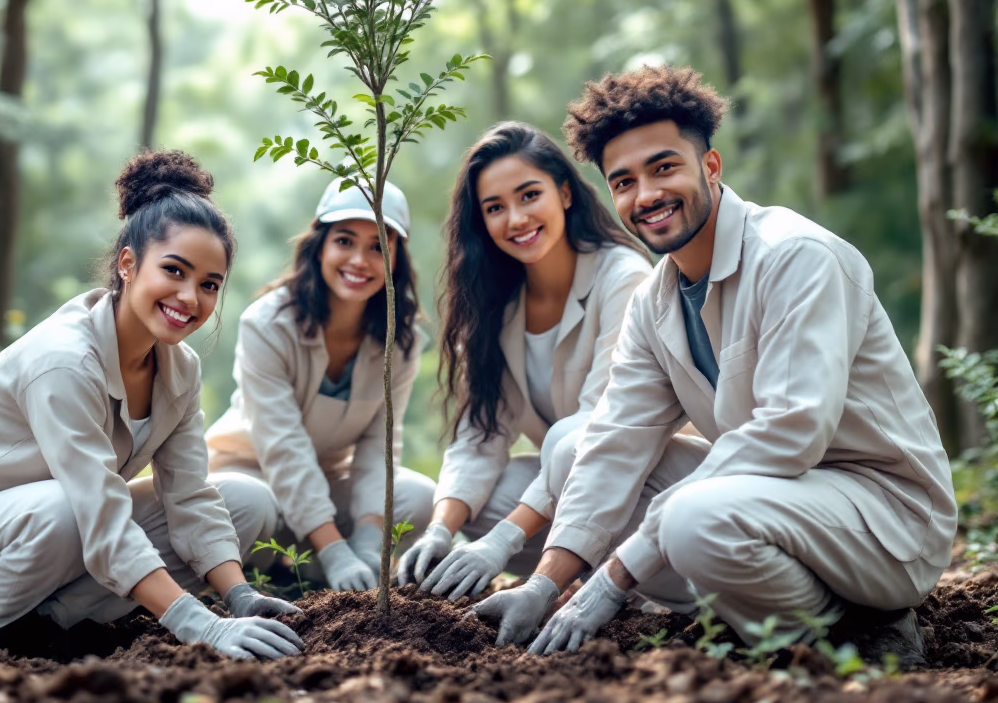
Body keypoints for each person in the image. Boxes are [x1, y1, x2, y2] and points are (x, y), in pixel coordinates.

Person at [470, 66, 956, 663]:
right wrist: (544, 585)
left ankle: (853, 627)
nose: (645, 195)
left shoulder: (794, 257)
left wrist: (612, 579)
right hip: (772, 501)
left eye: (664, 167)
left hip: (882, 516)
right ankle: (758, 607)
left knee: (691, 520)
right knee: (575, 448)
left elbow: (790, 434)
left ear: (711, 166)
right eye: (623, 182)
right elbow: (615, 441)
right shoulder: (656, 299)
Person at [0, 150, 304, 660]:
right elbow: (98, 513)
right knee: (70, 506)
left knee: (245, 500)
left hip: (50, 543)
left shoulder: (180, 369)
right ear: (128, 264)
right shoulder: (64, 361)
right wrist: (201, 626)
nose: (190, 297)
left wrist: (238, 597)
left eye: (209, 284)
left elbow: (189, 495)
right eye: (174, 270)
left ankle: (45, 623)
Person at [397, 122, 665, 600]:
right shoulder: (494, 305)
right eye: (495, 208)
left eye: (528, 196)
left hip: (639, 480)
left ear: (564, 193)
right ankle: (573, 565)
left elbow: (598, 430)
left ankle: (613, 577)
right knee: (478, 500)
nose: (515, 219)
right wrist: (441, 528)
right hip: (562, 488)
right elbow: (482, 436)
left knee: (564, 444)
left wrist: (504, 541)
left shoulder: (624, 278)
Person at [206, 178, 435, 591]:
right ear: (320, 244)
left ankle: (309, 570)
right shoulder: (267, 325)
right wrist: (334, 549)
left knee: (419, 498)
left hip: (328, 481)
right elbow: (283, 447)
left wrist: (368, 541)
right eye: (345, 240)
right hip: (252, 475)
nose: (361, 260)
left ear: (397, 256)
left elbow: (378, 446)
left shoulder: (401, 341)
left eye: (378, 246)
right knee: (249, 503)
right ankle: (303, 563)